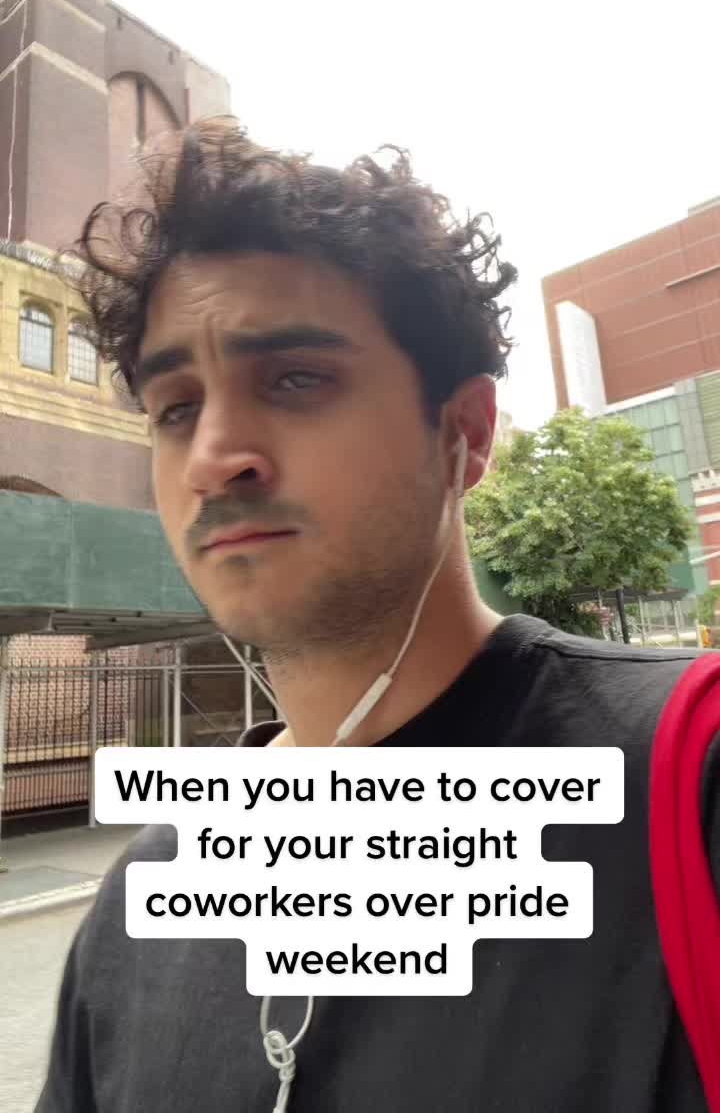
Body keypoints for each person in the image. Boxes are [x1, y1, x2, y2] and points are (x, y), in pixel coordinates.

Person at [37, 118, 717, 1112]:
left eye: (296, 378)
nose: (214, 456)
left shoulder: (688, 781)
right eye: (176, 407)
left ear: (465, 434)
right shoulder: (138, 905)